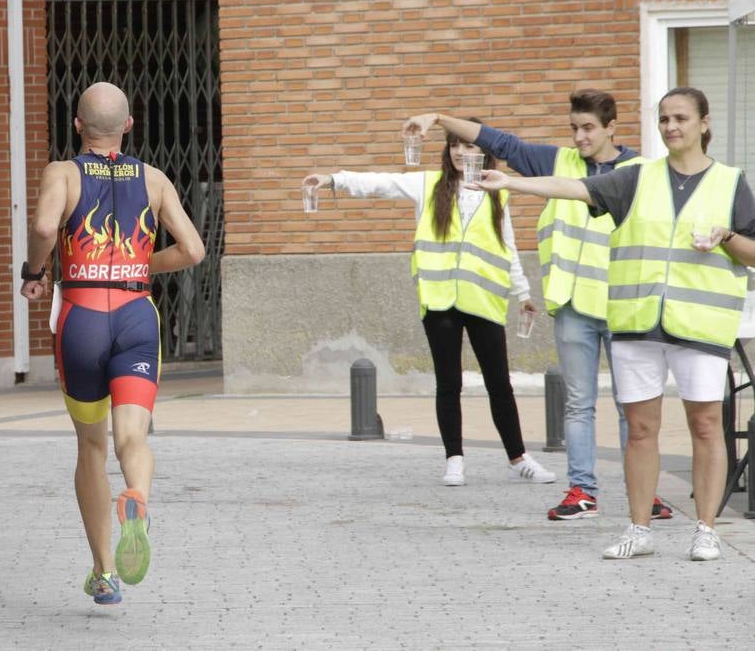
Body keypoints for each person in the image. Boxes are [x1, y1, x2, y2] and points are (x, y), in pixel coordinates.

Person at [478, 87, 755, 561]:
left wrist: (727, 237)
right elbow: (574, 188)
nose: (671, 127)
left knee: (706, 426)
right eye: (664, 118)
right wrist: (511, 184)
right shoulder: (637, 178)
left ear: (704, 124)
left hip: (700, 325)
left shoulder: (730, 182)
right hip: (636, 323)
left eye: (681, 118)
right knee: (640, 428)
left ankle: (706, 529)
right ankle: (639, 528)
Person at [404, 93, 673, 522]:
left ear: (611, 128)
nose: (580, 137)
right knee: (578, 404)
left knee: (632, 405)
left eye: (588, 128)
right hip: (572, 304)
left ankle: (648, 493)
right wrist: (438, 118)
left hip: (623, 303)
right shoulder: (558, 161)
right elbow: (501, 142)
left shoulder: (641, 171)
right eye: (574, 128)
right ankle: (582, 491)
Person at [20, 82, 205, 606]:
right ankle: (138, 499)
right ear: (128, 125)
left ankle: (104, 572)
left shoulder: (62, 172)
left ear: (77, 125)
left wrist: (34, 271)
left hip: (81, 318)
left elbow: (40, 224)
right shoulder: (154, 178)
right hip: (136, 316)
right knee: (132, 437)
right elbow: (192, 250)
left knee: (91, 445)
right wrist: (143, 264)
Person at [304, 120, 557, 489]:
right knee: (448, 383)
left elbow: (508, 246)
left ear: (484, 152)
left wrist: (524, 293)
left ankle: (518, 458)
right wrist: (332, 180)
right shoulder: (428, 185)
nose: (461, 152)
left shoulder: (497, 191)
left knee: (499, 383)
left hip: (484, 300)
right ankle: (454, 459)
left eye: (469, 146)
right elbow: (380, 183)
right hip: (440, 302)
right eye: (455, 145)